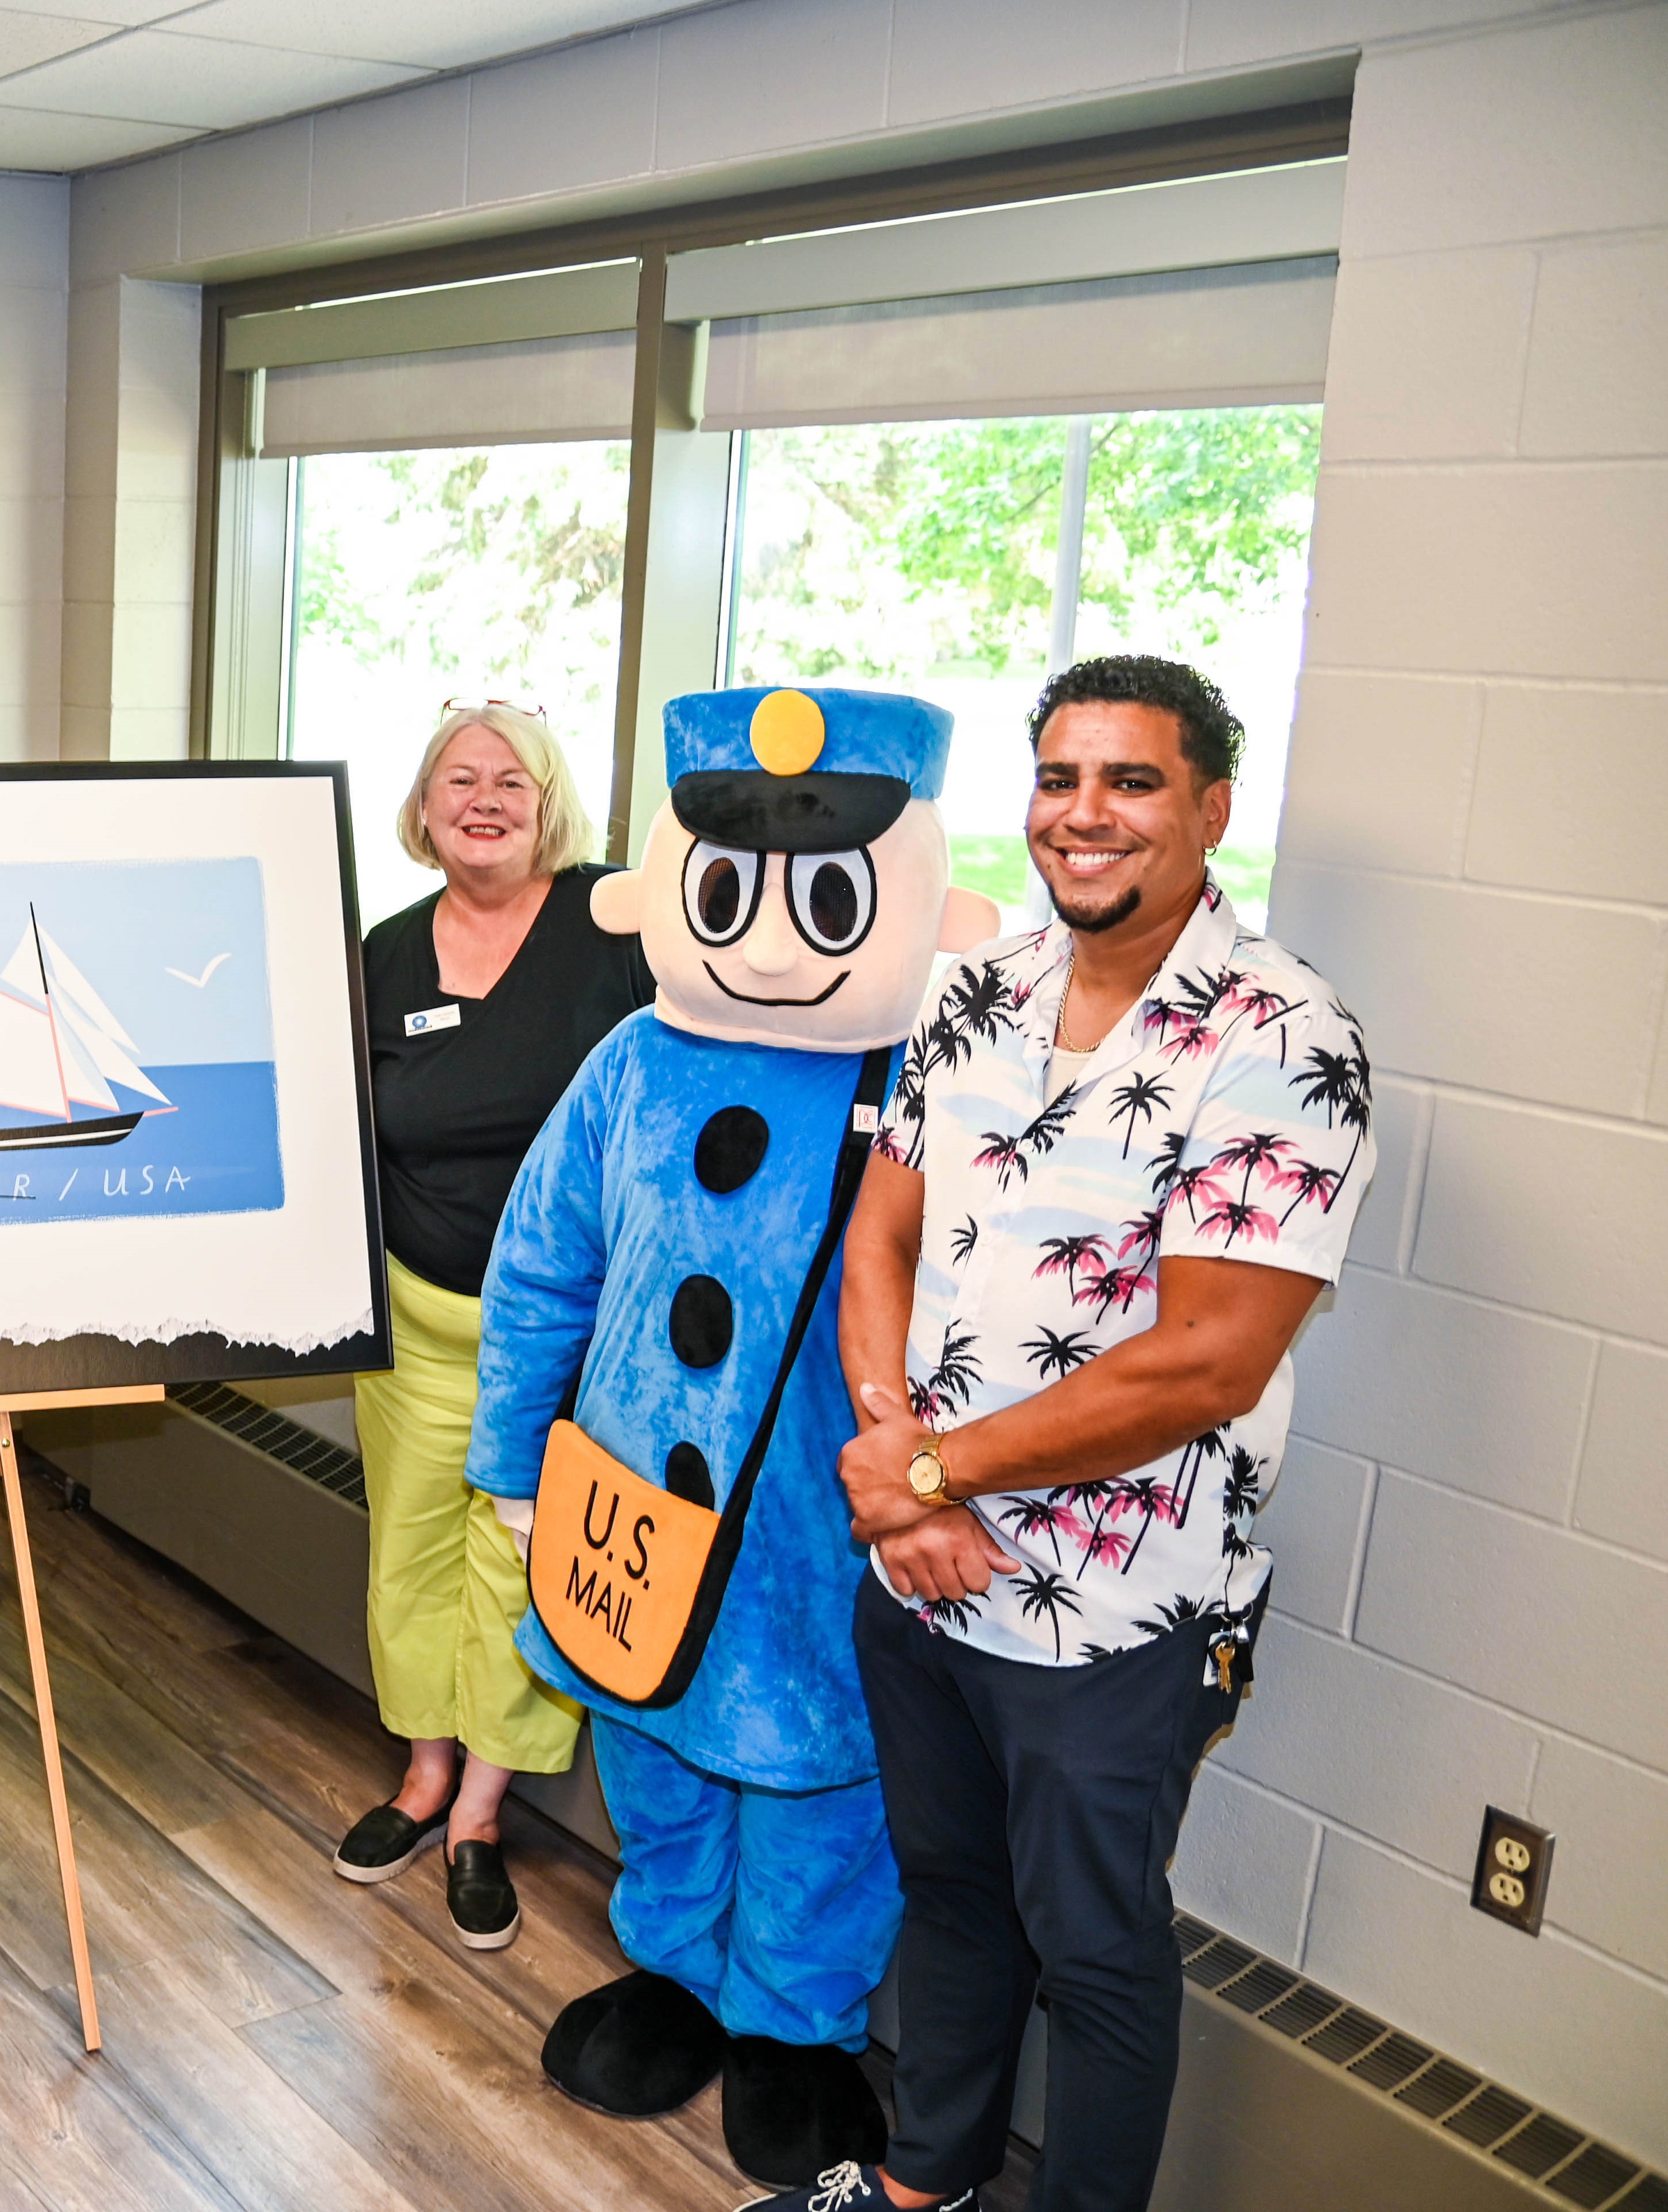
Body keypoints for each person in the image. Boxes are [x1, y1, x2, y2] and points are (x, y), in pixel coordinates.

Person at [740, 658, 1376, 2212]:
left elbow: (1204, 1365)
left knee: (1095, 1950)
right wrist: (902, 1484)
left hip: (1113, 1615)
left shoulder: (1282, 1040)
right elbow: (878, 1237)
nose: (1085, 816)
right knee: (954, 1900)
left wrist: (933, 1471)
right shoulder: (974, 990)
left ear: (1212, 809)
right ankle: (922, 2187)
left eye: (1133, 781)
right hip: (920, 1567)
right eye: (1060, 779)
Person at [468, 686, 997, 2190]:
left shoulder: (931, 1077)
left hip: (824, 1534)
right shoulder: (635, 1061)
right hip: (635, 1503)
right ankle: (678, 1976)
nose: (770, 940)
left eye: (825, 899)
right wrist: (514, 1455)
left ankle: (796, 2025)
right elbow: (543, 1261)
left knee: (828, 1776)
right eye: (731, 892)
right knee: (650, 1739)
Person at [334, 702, 651, 1950]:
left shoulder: (611, 926)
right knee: (409, 1548)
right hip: (413, 1316)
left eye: (511, 780)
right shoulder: (383, 954)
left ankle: (479, 1813)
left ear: (550, 801)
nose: (484, 798)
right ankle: (418, 1774)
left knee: (523, 1567)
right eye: (458, 779)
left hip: (568, 1333)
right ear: (422, 811)